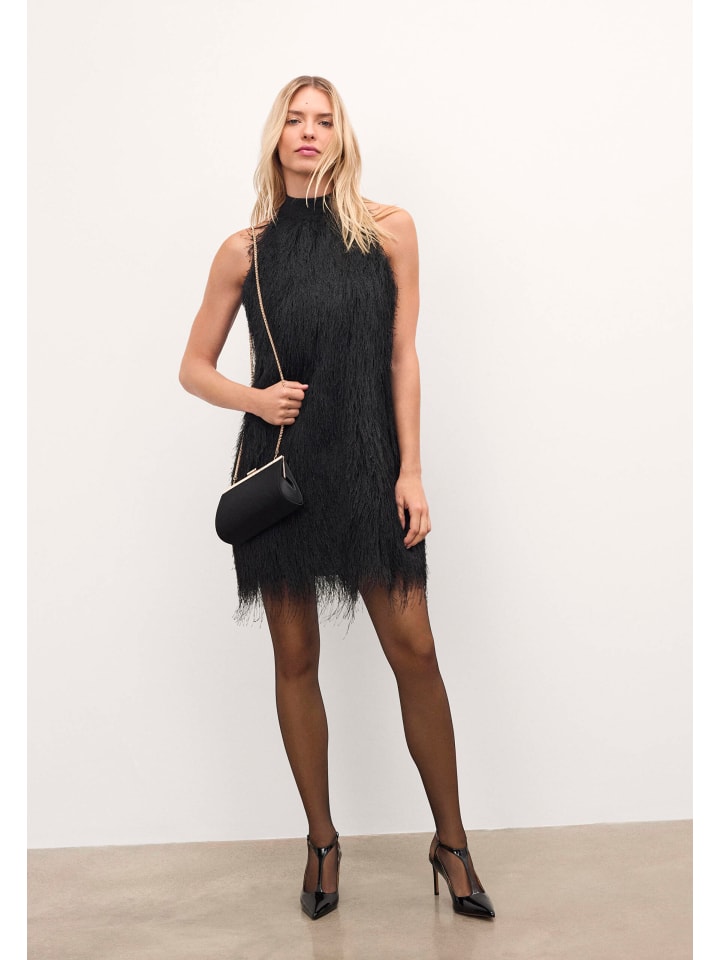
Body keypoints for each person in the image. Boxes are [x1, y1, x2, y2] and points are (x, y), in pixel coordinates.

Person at [179, 75, 495, 922]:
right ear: (276, 137)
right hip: (282, 471)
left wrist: (412, 470)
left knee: (415, 650)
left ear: (342, 136)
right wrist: (255, 400)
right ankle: (322, 841)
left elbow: (402, 357)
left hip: (369, 464)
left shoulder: (390, 230)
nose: (310, 132)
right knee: (294, 659)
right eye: (296, 119)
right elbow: (193, 368)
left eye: (325, 120)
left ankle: (452, 841)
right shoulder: (244, 250)